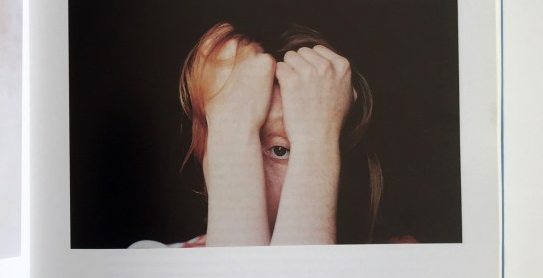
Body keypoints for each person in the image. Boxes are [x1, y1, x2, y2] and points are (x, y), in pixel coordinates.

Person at [135, 21, 390, 247]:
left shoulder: (397, 260)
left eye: (280, 150)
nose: (249, 171)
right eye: (230, 137)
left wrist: (316, 139)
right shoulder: (154, 262)